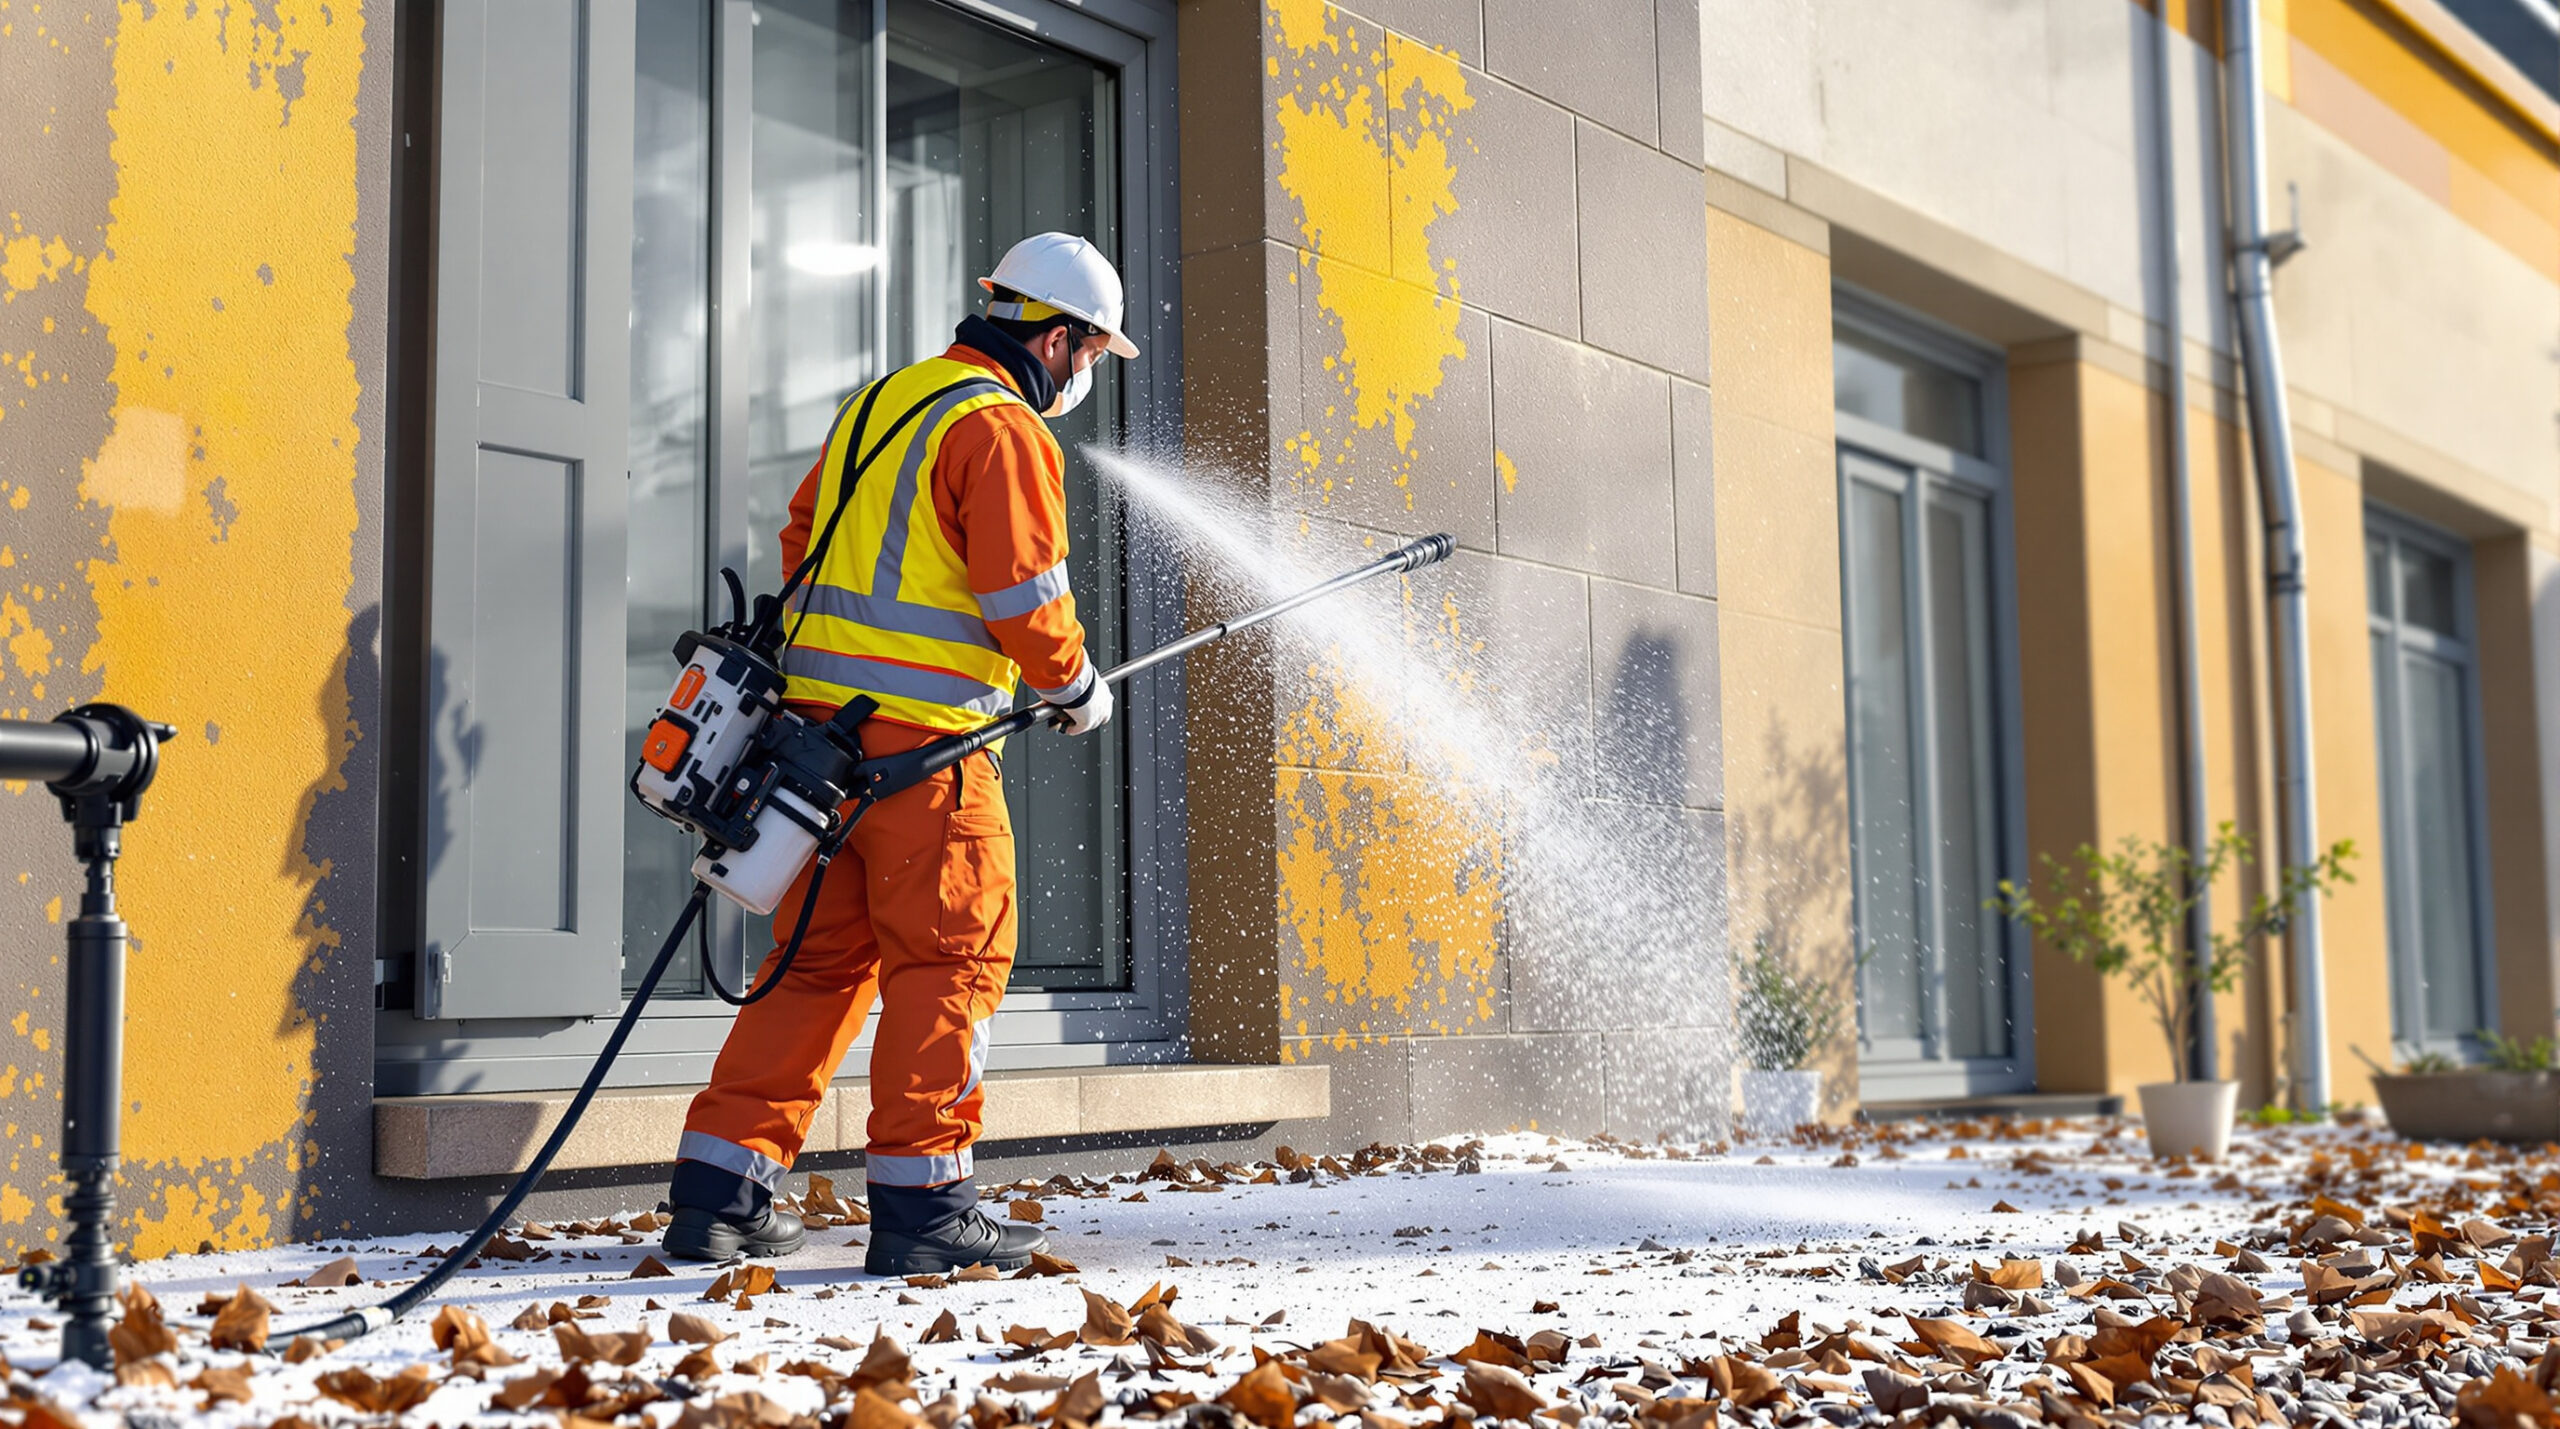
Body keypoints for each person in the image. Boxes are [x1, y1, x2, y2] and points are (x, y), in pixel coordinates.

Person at [660, 233, 1137, 1275]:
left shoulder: (882, 402)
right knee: (951, 964)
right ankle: (926, 1208)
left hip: (812, 759)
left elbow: (802, 541)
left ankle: (719, 1196)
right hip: (930, 759)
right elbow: (1023, 591)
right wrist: (1075, 688)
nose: (1087, 375)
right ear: (1057, 340)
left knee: (813, 965)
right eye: (1094, 353)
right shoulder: (1001, 425)